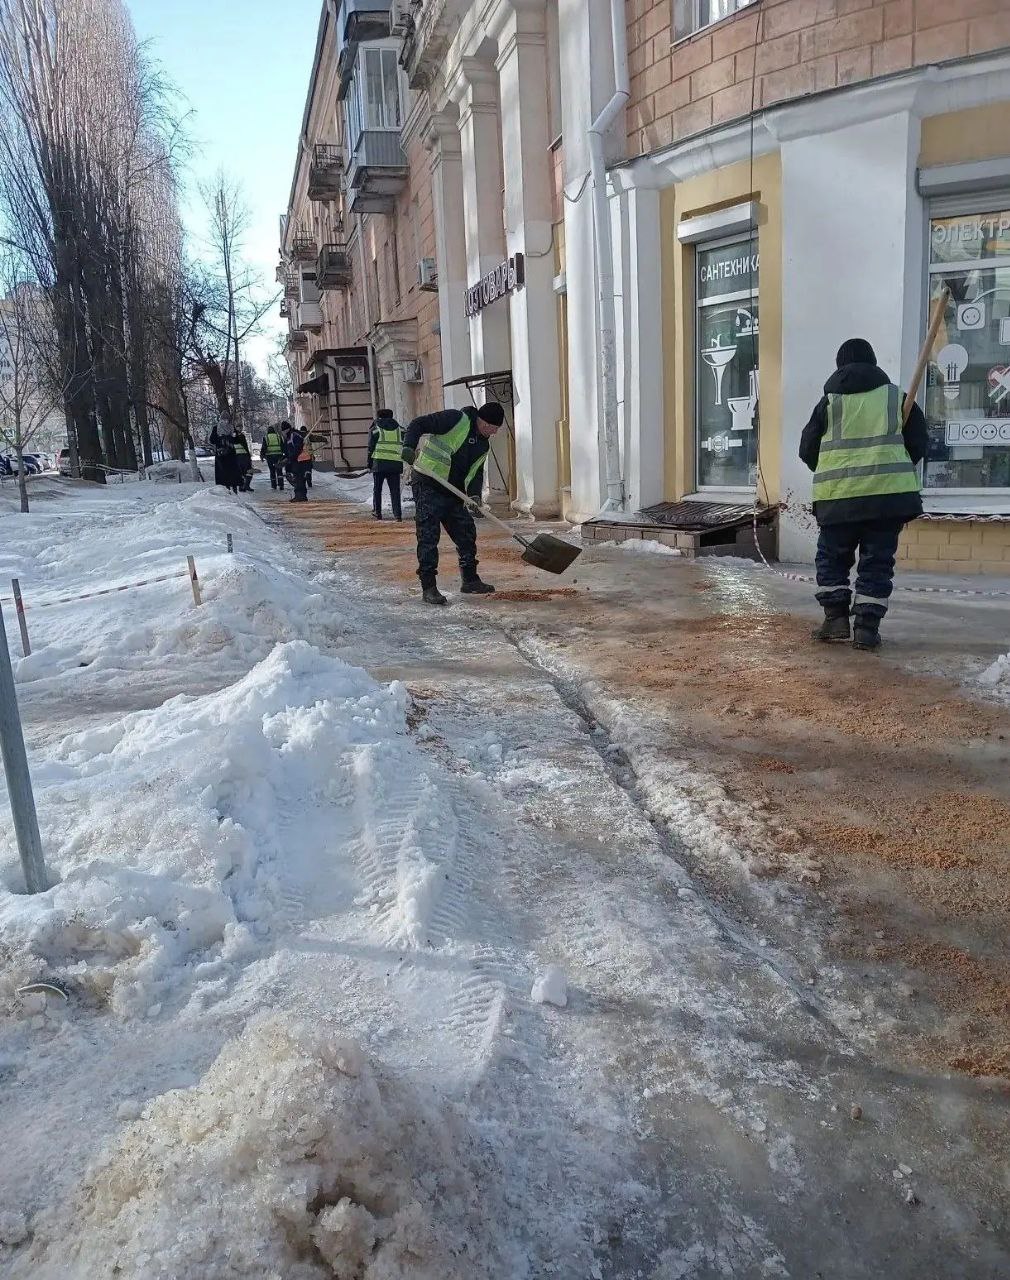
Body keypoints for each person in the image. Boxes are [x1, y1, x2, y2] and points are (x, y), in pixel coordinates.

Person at [799, 338, 928, 651]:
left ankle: (835, 621)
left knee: (832, 558)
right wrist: (891, 466)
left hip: (837, 498)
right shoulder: (896, 398)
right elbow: (919, 442)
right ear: (873, 364)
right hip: (886, 500)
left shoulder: (829, 403)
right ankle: (867, 630)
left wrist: (832, 468)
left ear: (839, 367)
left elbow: (807, 449)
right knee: (877, 562)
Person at [400, 402, 505, 605]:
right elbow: (417, 424)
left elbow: (475, 474)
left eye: (496, 430)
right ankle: (429, 586)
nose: (493, 432)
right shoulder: (455, 419)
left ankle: (470, 580)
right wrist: (408, 446)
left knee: (466, 532)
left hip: (452, 491)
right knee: (429, 536)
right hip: (428, 483)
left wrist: (474, 496)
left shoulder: (483, 444)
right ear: (483, 420)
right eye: (492, 427)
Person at [367, 408, 404, 520]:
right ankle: (397, 514)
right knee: (395, 490)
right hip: (395, 464)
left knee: (377, 489)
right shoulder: (400, 429)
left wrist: (369, 464)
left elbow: (370, 448)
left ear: (379, 417)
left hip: (379, 464)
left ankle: (377, 512)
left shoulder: (375, 429)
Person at [209, 418, 240, 494]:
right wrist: (229, 439)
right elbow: (237, 440)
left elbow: (212, 440)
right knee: (232, 471)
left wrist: (220, 440)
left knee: (223, 472)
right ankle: (234, 488)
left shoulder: (216, 428)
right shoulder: (231, 427)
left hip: (221, 454)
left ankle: (225, 489)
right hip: (231, 453)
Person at [284, 421, 311, 503]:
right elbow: (288, 450)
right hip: (298, 460)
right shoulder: (289, 436)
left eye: (284, 430)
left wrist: (292, 457)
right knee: (300, 479)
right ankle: (302, 496)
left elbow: (298, 448)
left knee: (298, 478)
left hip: (301, 460)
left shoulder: (294, 436)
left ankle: (300, 496)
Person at [261, 424, 286, 491]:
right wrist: (285, 454)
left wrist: (262, 456)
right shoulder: (278, 436)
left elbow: (264, 447)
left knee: (272, 471)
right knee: (279, 471)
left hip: (270, 457)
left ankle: (274, 485)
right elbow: (282, 446)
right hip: (279, 456)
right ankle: (281, 485)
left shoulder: (266, 437)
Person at [232, 425, 254, 492]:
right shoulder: (241, 436)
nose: (241, 428)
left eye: (241, 427)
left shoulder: (232, 436)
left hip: (237, 456)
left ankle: (242, 487)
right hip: (243, 456)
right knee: (248, 471)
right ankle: (245, 486)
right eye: (239, 427)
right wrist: (248, 455)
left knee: (241, 472)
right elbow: (245, 446)